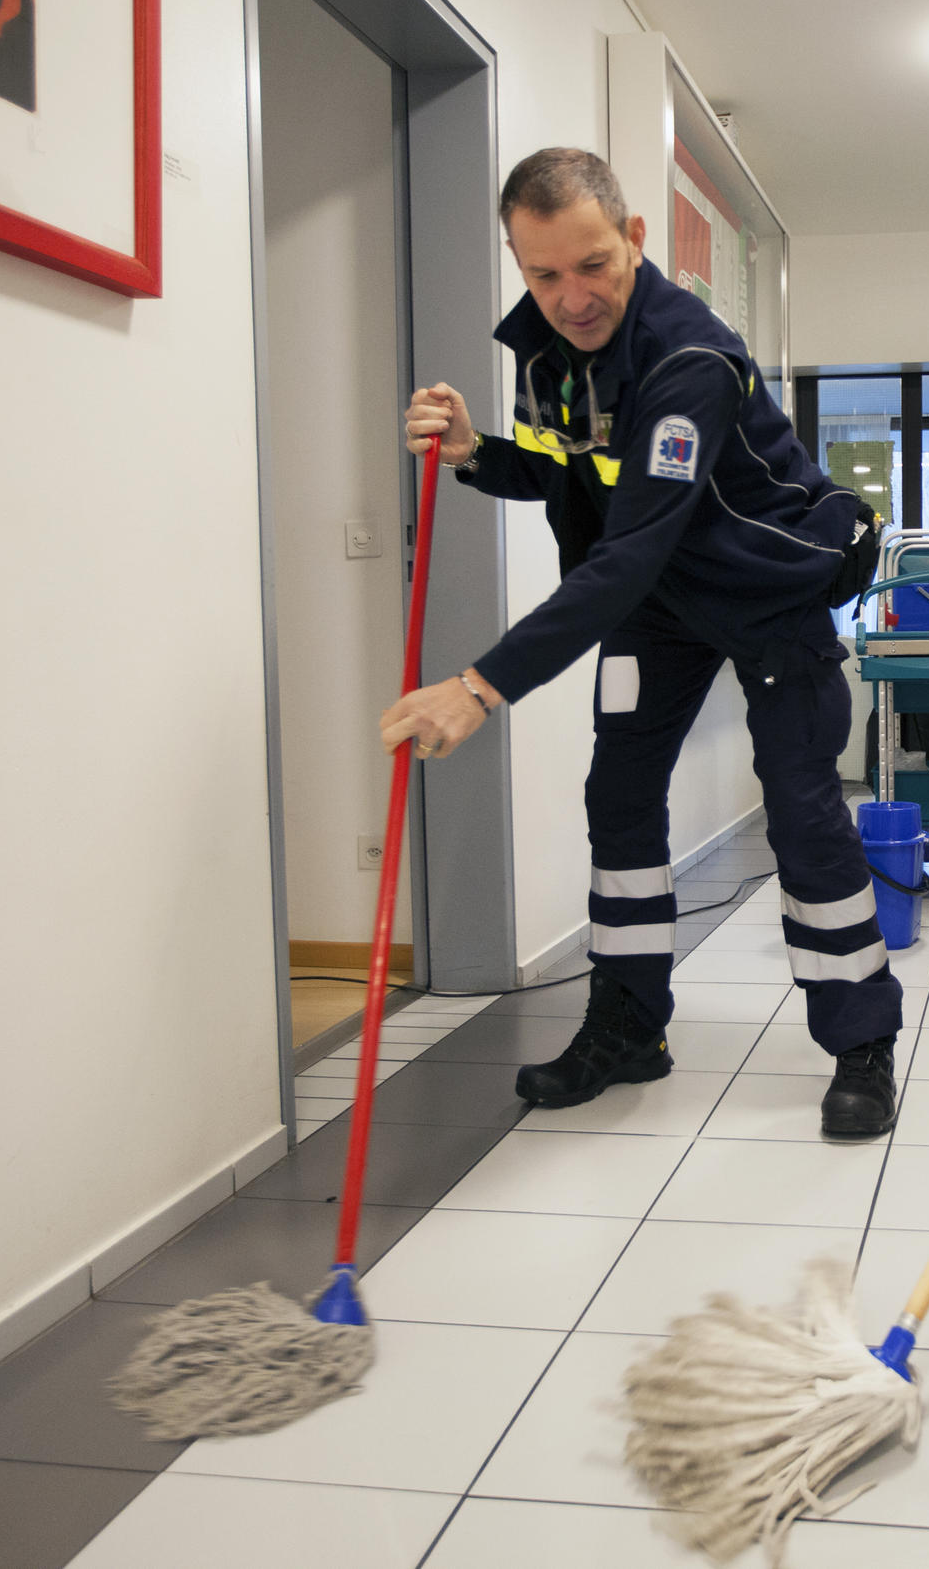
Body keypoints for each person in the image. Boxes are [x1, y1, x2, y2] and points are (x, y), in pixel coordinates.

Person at [376, 148, 902, 1138]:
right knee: (616, 798)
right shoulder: (545, 348)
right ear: (518, 262)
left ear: (634, 239)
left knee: (802, 815)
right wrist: (476, 454)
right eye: (543, 273)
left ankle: (860, 1042)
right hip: (659, 599)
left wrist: (479, 686)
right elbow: (575, 477)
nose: (572, 297)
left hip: (764, 589)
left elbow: (622, 551)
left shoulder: (689, 358)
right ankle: (627, 1025)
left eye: (593, 266)